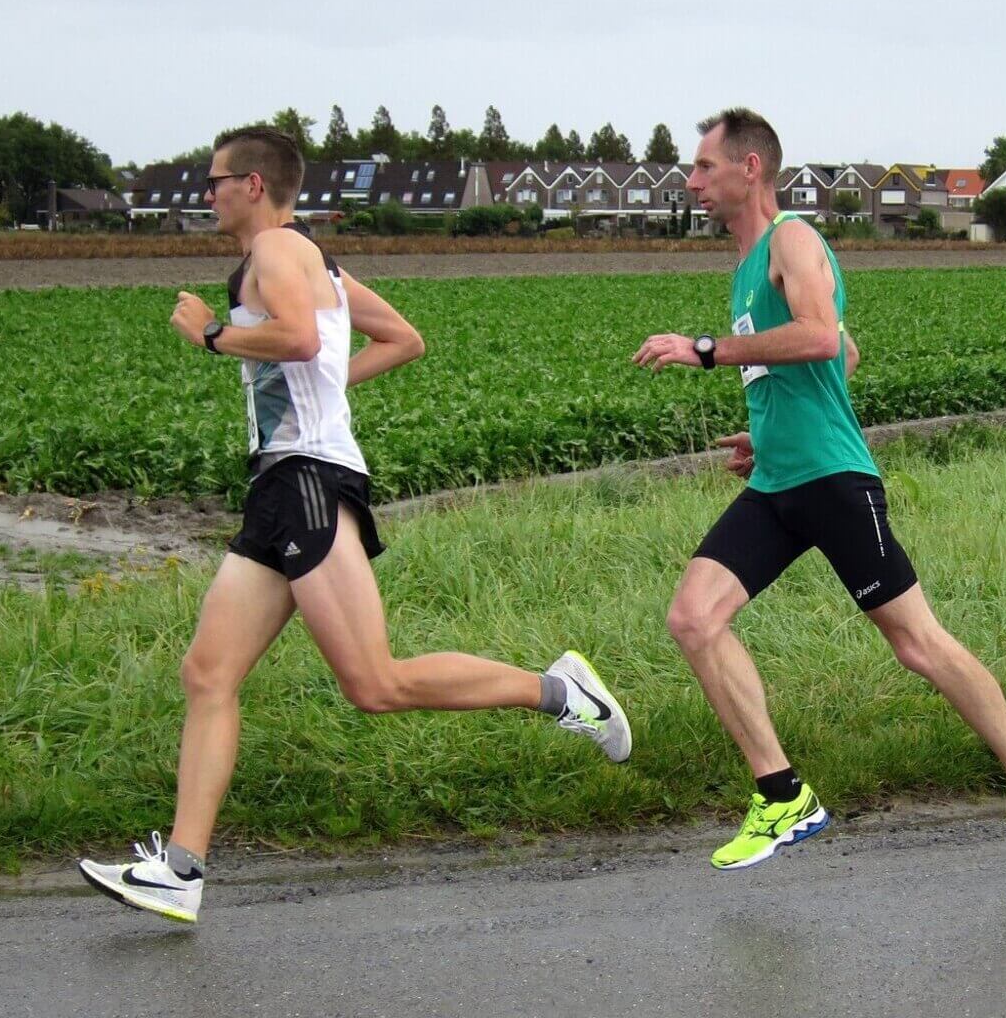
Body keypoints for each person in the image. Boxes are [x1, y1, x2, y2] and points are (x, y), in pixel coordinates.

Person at [78, 127, 630, 923]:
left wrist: (211, 334)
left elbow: (301, 339)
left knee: (376, 683)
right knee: (208, 674)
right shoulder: (315, 259)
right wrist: (323, 393)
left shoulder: (275, 250)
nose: (206, 194)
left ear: (256, 185)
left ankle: (563, 693)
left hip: (305, 478)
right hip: (281, 483)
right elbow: (402, 340)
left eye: (215, 181)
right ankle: (180, 870)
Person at [633, 108, 1006, 886]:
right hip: (778, 482)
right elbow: (843, 353)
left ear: (750, 170)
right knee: (693, 618)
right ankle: (782, 793)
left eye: (703, 167)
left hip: (836, 482)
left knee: (917, 645)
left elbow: (821, 335)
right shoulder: (746, 269)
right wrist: (768, 435)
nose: (691, 181)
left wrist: (706, 351)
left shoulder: (793, 240)